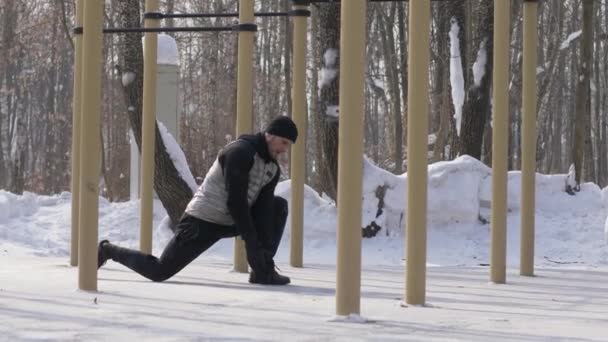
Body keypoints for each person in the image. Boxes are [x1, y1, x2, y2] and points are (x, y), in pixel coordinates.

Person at [98, 116, 298, 285]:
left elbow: (262, 210)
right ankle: (108, 250)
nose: (285, 150)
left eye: (288, 145)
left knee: (278, 206)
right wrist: (252, 243)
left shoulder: (271, 168)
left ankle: (263, 272)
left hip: (230, 220)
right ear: (270, 135)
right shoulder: (240, 152)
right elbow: (236, 202)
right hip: (203, 220)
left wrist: (260, 257)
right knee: (159, 271)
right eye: (284, 143)